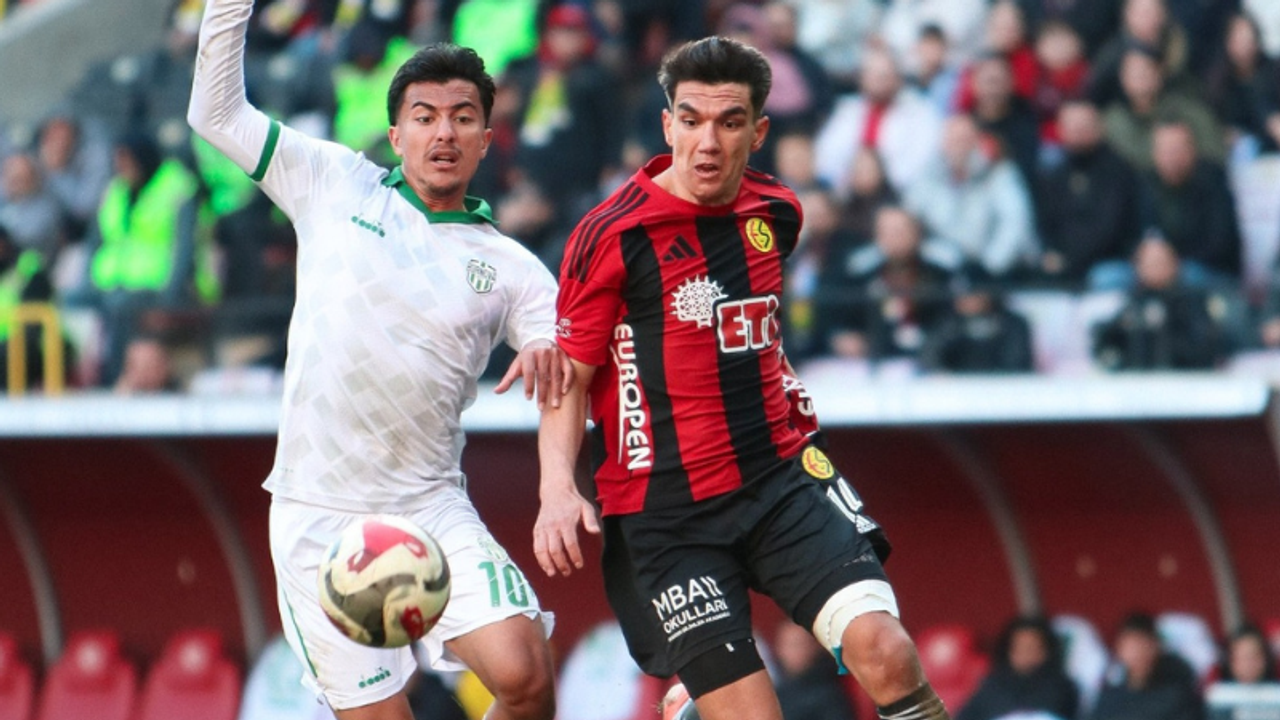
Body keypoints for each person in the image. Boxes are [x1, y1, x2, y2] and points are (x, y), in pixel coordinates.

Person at [535, 36, 951, 720]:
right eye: (691, 120)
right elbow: (569, 378)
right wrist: (556, 486)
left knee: (888, 652)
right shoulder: (612, 234)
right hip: (666, 512)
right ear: (667, 125)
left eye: (729, 122)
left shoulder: (777, 212)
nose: (708, 142)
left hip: (778, 479)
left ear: (758, 133)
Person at [188, 1, 571, 718]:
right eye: (425, 117)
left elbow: (564, 379)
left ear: (487, 139)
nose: (443, 132)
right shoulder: (333, 181)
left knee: (526, 678)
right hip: (316, 517)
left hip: (429, 505)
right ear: (396, 134)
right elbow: (216, 115)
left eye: (462, 117)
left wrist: (557, 484)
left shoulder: (514, 269)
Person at [954, 616, 1079, 720]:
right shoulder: (992, 686)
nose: (1025, 654)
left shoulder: (1061, 688)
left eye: (1031, 648)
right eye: (1019, 648)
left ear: (1046, 651)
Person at [1089, 612, 1205, 720]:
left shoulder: (1177, 696)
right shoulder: (1109, 699)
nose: (1137, 653)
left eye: (1143, 645)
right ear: (1119, 650)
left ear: (1156, 646)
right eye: (1131, 646)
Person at [773, 620, 857, 720]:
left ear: (814, 647)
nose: (789, 653)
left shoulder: (829, 693)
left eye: (797, 645)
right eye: (785, 645)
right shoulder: (777, 691)